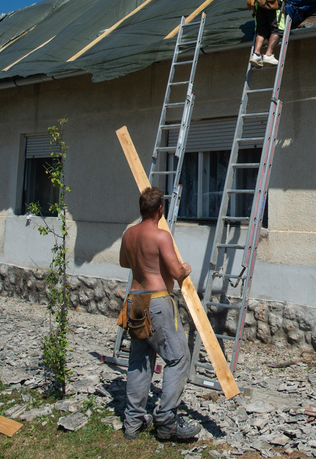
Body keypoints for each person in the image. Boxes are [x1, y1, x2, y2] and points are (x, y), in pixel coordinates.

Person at [119, 186, 200, 442]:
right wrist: (185, 267)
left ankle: (132, 423)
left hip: (134, 301)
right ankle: (167, 422)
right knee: (178, 359)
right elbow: (176, 272)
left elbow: (124, 262)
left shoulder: (129, 234)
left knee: (139, 362)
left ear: (142, 209)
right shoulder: (161, 236)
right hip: (156, 302)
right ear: (160, 210)